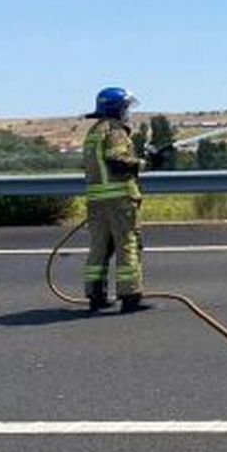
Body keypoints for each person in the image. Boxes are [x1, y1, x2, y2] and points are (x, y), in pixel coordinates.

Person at [82, 87, 149, 313]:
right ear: (117, 109)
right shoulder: (115, 130)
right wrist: (143, 164)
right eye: (126, 108)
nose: (128, 112)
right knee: (127, 244)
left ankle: (96, 296)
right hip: (119, 201)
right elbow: (116, 160)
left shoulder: (94, 132)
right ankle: (131, 296)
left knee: (99, 247)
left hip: (97, 203)